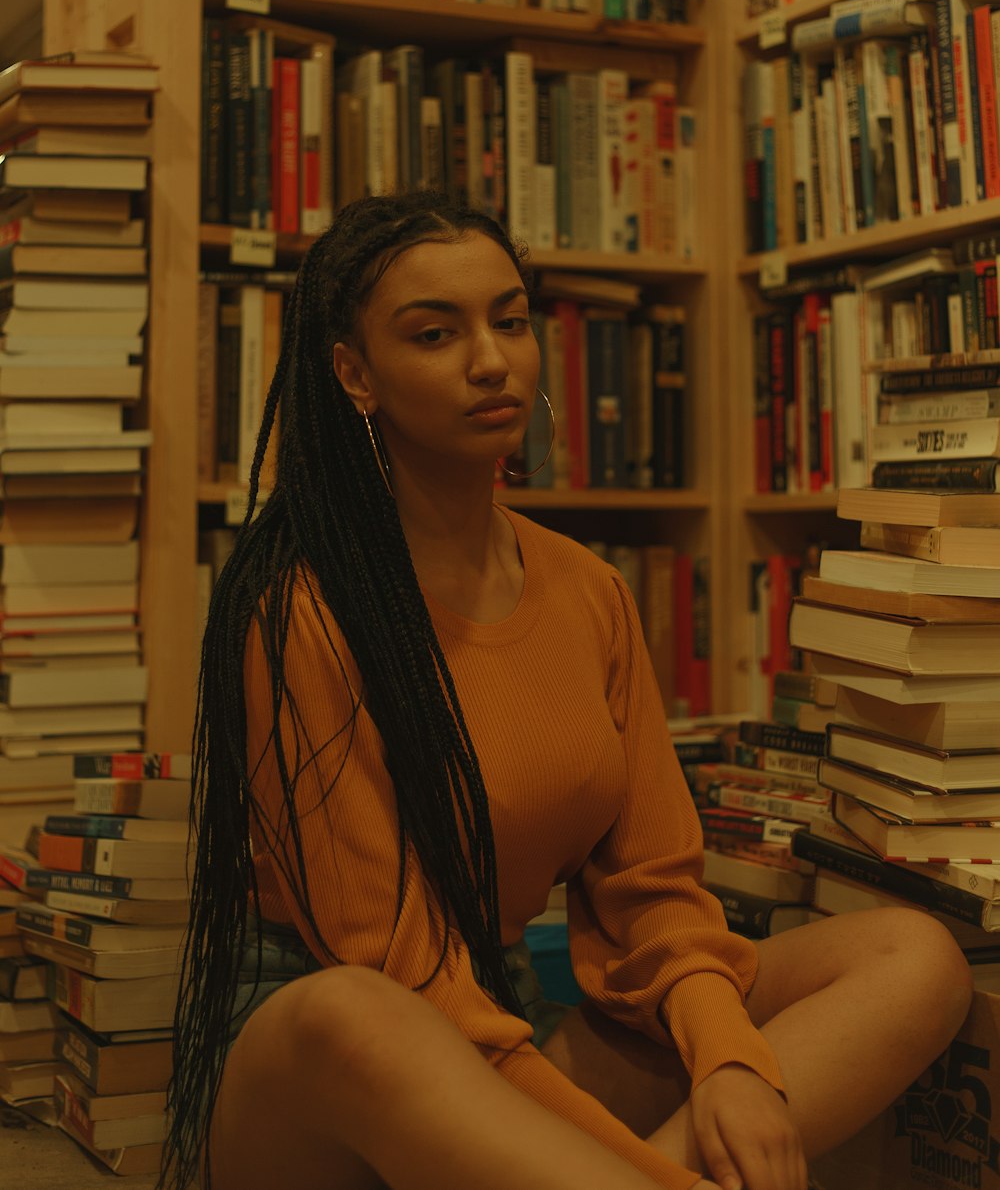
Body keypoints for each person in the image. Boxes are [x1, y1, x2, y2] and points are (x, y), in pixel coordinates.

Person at [162, 191, 973, 1190]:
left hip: (505, 1021)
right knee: (359, 1015)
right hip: (326, 1067)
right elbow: (399, 967)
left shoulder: (587, 588)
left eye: (508, 319)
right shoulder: (298, 609)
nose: (491, 358)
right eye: (434, 332)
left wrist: (730, 1061)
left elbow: (655, 889)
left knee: (913, 953)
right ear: (354, 372)